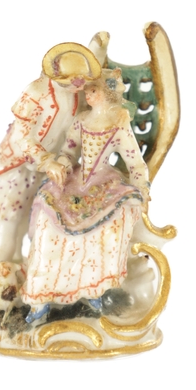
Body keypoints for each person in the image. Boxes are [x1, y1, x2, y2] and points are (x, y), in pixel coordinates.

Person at [20, 68, 151, 322]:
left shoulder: (119, 124)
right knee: (48, 220)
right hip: (76, 181)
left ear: (108, 93)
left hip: (104, 183)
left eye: (93, 90)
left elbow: (135, 163)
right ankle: (42, 296)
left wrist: (142, 190)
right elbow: (69, 151)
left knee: (108, 226)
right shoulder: (81, 120)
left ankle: (92, 290)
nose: (87, 95)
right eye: (87, 91)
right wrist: (62, 165)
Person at [0, 35, 110, 267]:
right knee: (11, 218)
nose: (79, 86)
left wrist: (99, 47)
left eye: (81, 81)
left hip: (52, 168)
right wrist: (45, 161)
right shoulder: (36, 93)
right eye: (73, 81)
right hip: (20, 164)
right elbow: (21, 135)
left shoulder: (76, 96)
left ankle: (23, 267)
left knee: (34, 217)